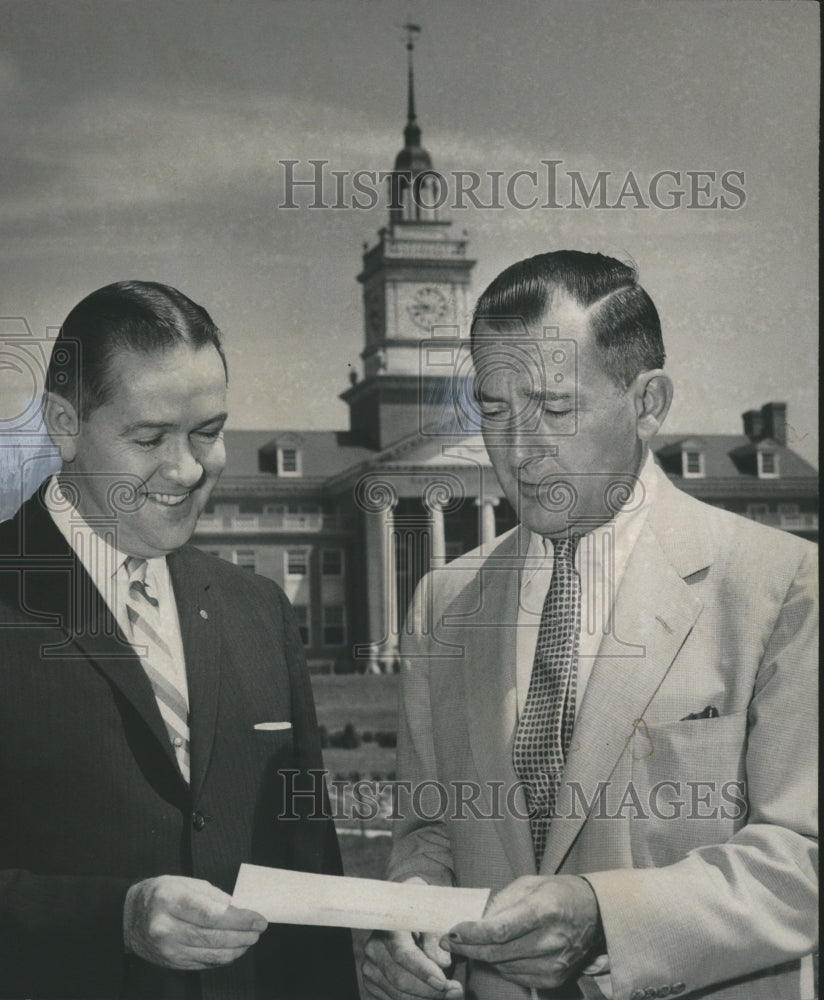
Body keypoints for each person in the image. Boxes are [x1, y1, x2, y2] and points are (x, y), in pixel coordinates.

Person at [363, 251, 817, 1000]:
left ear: (648, 402)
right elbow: (430, 835)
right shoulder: (443, 603)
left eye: (556, 408)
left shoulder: (780, 588)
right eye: (496, 410)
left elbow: (802, 860)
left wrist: (607, 918)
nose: (517, 448)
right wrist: (407, 926)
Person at [0, 281, 358, 999]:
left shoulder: (257, 609)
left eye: (207, 432)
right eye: (149, 438)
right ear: (64, 425)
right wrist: (118, 916)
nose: (189, 470)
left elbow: (308, 861)